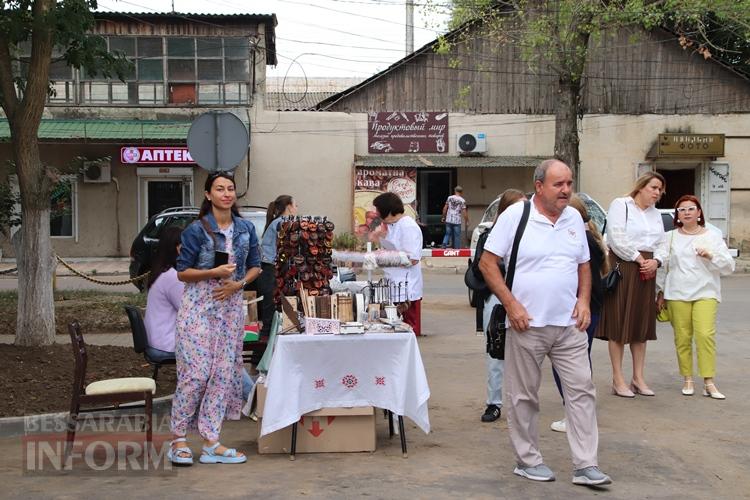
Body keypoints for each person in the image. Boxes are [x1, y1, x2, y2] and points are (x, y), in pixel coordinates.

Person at [479, 159, 611, 486]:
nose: (566, 190)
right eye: (558, 184)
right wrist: (511, 304)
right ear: (539, 186)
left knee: (581, 391)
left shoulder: (574, 219)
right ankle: (527, 460)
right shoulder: (516, 216)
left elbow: (583, 264)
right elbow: (487, 262)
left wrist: (583, 301)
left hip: (569, 326)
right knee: (524, 397)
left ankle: (586, 465)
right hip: (526, 325)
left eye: (569, 183)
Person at [168, 171, 261, 466]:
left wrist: (239, 284)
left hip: (231, 307)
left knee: (222, 374)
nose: (226, 193)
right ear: (208, 195)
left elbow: (256, 265)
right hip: (199, 306)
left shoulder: (246, 228)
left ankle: (211, 441)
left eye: (230, 189)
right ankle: (178, 439)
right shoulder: (196, 230)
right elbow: (183, 272)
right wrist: (213, 273)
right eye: (219, 189)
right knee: (196, 374)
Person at [656, 195, 734, 399]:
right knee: (682, 337)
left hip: (705, 292)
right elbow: (663, 265)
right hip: (677, 293)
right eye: (682, 210)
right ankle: (687, 378)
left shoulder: (712, 236)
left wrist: (710, 255)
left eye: (691, 209)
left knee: (705, 335)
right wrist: (661, 291)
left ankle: (709, 382)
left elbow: (728, 266)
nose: (687, 212)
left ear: (699, 212)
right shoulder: (670, 237)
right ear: (677, 215)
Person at [597, 172, 667, 398]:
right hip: (625, 266)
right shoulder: (621, 204)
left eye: (660, 189)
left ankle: (638, 378)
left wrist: (657, 261)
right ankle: (618, 379)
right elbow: (616, 237)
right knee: (618, 325)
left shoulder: (656, 215)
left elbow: (663, 243)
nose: (657, 193)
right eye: (653, 187)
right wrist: (639, 259)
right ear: (641, 187)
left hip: (648, 270)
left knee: (641, 326)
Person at [549, 195, 609, 433]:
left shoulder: (579, 239)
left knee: (568, 364)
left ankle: (575, 414)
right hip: (589, 306)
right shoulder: (590, 237)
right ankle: (579, 412)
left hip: (579, 308)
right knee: (580, 361)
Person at [477, 188, 526, 423]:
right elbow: (482, 267)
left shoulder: (532, 234)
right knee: (496, 351)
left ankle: (522, 403)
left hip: (526, 299)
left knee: (526, 353)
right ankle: (494, 403)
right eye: (517, 206)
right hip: (497, 299)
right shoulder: (490, 235)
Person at [370, 192, 424, 336]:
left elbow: (412, 259)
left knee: (408, 331)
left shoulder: (408, 227)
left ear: (387, 210)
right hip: (394, 283)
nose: (376, 213)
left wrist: (385, 257)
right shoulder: (393, 225)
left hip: (406, 288)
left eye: (378, 210)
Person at [258, 195, 298, 338]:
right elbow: (286, 249)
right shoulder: (282, 223)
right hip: (272, 268)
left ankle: (266, 338)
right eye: (295, 205)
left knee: (270, 306)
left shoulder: (277, 222)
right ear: (288, 206)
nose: (297, 208)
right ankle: (266, 343)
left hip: (269, 267)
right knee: (272, 305)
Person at [144, 226, 184, 362]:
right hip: (166, 343)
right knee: (219, 351)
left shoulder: (161, 272)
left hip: (157, 339)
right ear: (178, 248)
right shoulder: (172, 277)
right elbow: (189, 310)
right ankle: (247, 384)